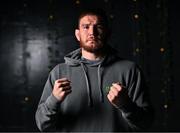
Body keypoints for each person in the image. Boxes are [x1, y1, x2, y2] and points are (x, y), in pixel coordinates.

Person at [35, 8, 154, 132]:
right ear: (77, 34)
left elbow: (146, 124)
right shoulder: (59, 72)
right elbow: (43, 125)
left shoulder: (129, 70)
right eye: (86, 27)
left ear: (107, 32)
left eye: (99, 27)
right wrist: (54, 99)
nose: (92, 32)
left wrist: (126, 105)